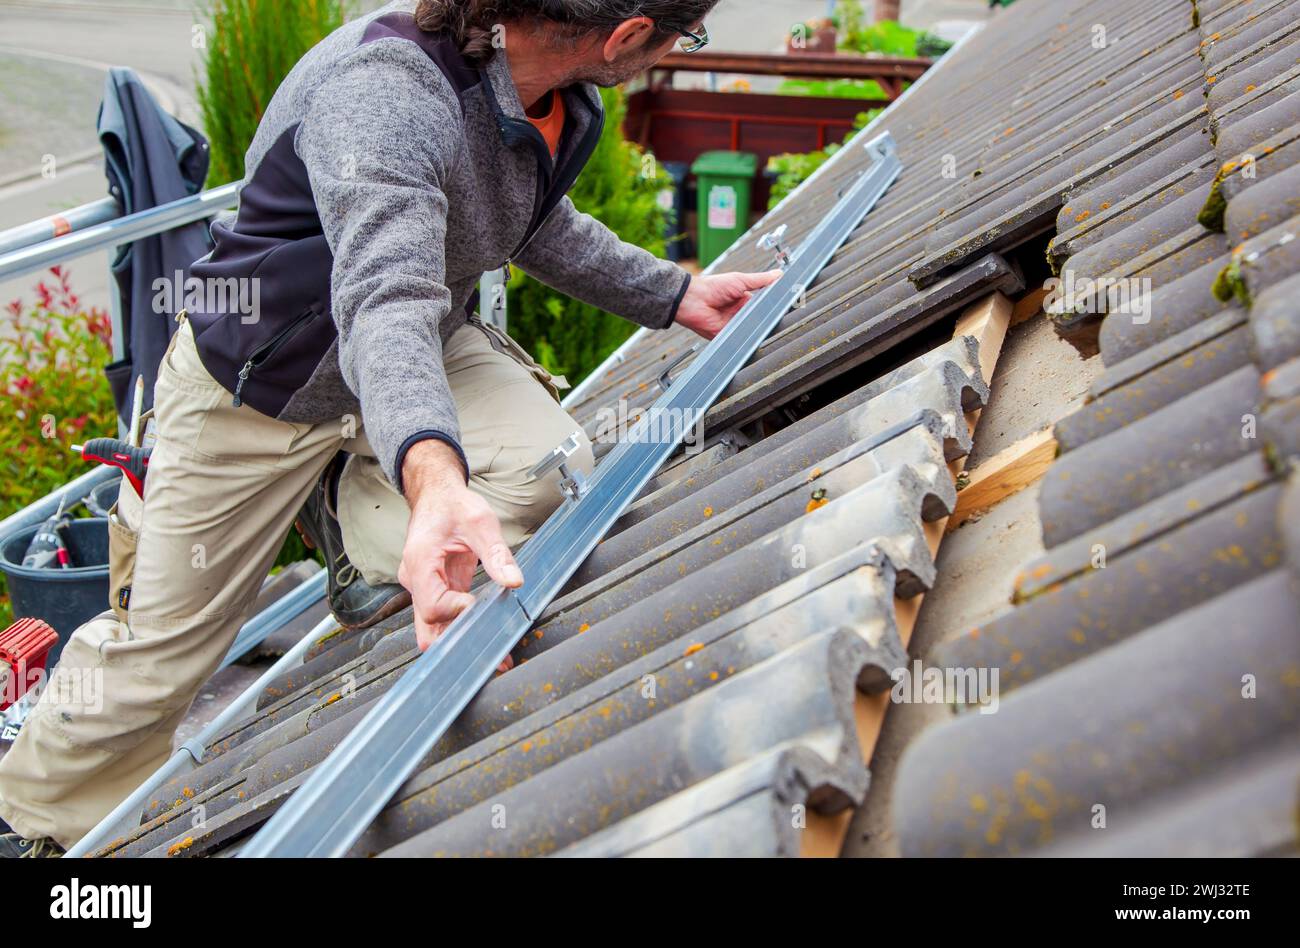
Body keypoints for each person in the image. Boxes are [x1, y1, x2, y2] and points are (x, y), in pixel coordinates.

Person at [0, 0, 781, 856]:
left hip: (414, 361)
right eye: (682, 37)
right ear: (628, 35)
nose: (675, 52)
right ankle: (33, 825)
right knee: (156, 663)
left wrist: (672, 294)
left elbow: (531, 225)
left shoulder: (551, 100)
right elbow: (384, 296)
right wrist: (435, 478)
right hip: (260, 393)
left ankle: (344, 501)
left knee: (547, 472)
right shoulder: (385, 92)